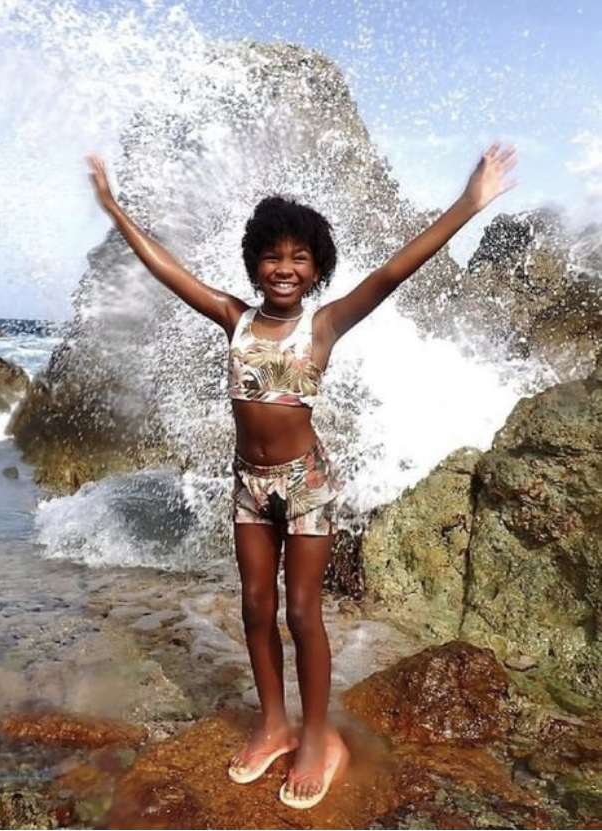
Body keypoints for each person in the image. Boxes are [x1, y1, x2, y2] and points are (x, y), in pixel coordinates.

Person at [87, 143, 517, 809]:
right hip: (248, 486)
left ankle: (316, 736)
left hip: (306, 483)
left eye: (298, 258)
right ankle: (272, 723)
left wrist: (467, 202)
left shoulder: (322, 324)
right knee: (254, 608)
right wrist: (115, 209)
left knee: (300, 611)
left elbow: (394, 270)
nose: (283, 268)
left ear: (315, 269)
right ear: (254, 263)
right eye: (271, 256)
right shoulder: (233, 318)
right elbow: (167, 270)